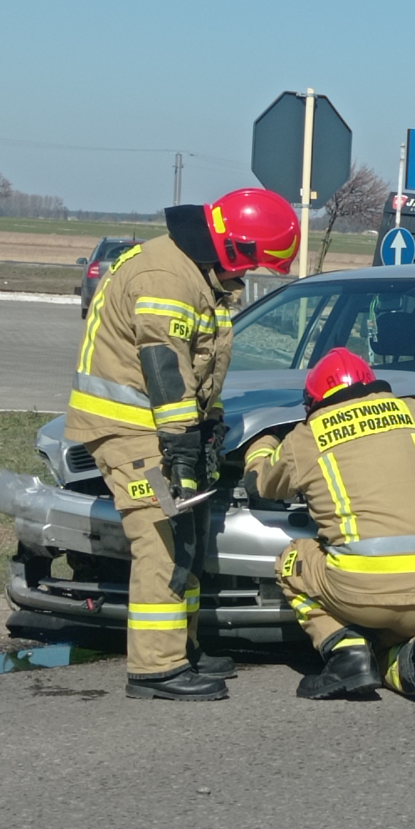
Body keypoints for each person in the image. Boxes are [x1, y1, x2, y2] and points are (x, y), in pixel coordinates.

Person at [64, 188, 300, 699]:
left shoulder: (195, 272)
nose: (243, 280)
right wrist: (181, 445)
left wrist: (208, 424)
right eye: (248, 267)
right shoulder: (167, 278)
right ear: (233, 248)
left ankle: (183, 648)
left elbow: (200, 367)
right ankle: (155, 668)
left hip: (157, 426)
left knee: (188, 535)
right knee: (162, 541)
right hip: (132, 430)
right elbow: (165, 370)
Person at [242, 348, 415, 714]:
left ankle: (345, 653)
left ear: (313, 401)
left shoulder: (306, 437)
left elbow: (264, 484)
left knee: (291, 560)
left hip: (365, 590)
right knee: (386, 650)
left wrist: (262, 445)